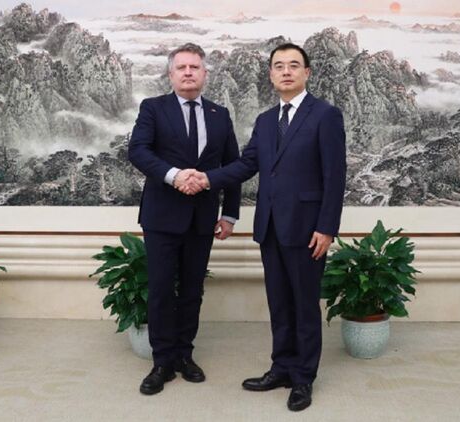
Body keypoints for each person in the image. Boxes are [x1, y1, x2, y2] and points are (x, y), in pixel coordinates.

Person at [180, 43, 346, 411]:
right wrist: (207, 178)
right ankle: (281, 368)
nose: (286, 71)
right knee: (280, 303)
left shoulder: (326, 115)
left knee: (304, 305)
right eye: (279, 66)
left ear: (307, 73)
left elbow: (335, 177)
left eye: (294, 65)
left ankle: (303, 378)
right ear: (271, 74)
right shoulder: (267, 120)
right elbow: (246, 165)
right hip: (270, 226)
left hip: (308, 229)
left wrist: (327, 227)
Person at [127, 43, 241, 395]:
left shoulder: (220, 114)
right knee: (161, 290)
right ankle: (162, 361)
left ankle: (184, 355)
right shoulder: (153, 108)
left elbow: (233, 166)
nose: (188, 72)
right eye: (182, 67)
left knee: (192, 290)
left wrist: (230, 214)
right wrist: (175, 175)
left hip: (202, 218)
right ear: (170, 74)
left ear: (205, 74)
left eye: (195, 67)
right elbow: (138, 151)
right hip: (162, 216)